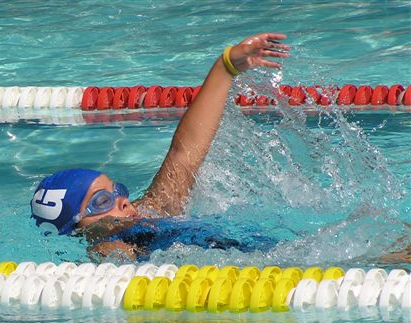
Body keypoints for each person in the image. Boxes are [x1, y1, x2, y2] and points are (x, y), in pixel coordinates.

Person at [30, 33, 290, 261]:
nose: (123, 202)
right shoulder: (107, 248)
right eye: (102, 202)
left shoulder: (152, 211)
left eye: (117, 191)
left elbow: (184, 155)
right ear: (77, 227)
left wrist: (226, 66)